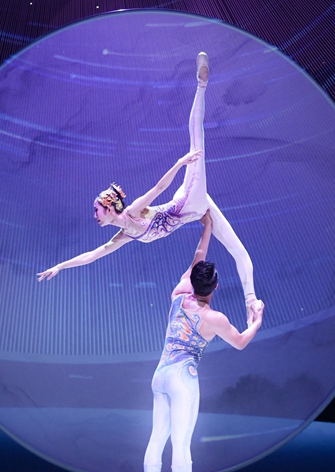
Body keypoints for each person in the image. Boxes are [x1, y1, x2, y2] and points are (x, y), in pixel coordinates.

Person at [37, 52, 260, 323]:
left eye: (97, 210)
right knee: (240, 252)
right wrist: (60, 266)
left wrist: (180, 163)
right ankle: (252, 305)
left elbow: (158, 188)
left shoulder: (133, 211)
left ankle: (201, 84)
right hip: (198, 210)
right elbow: (92, 256)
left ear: (109, 207)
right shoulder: (123, 236)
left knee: (196, 142)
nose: (95, 215)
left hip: (189, 200)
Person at [143, 211, 264, 472]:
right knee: (181, 442)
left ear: (193, 281)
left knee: (157, 438)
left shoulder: (179, 294)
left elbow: (198, 258)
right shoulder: (214, 318)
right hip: (182, 379)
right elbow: (240, 342)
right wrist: (257, 321)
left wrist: (207, 228)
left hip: (160, 374)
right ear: (216, 286)